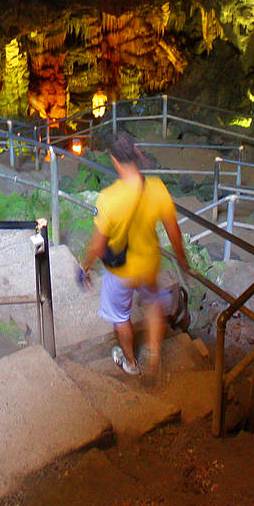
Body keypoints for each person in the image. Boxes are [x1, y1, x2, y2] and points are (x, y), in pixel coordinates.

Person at [77, 131, 190, 380]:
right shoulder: (157, 188)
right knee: (152, 305)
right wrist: (183, 260)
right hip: (149, 263)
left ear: (114, 161)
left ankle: (131, 363)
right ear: (136, 155)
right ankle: (154, 357)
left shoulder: (108, 198)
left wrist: (84, 266)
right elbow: (174, 231)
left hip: (121, 272)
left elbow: (98, 245)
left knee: (120, 316)